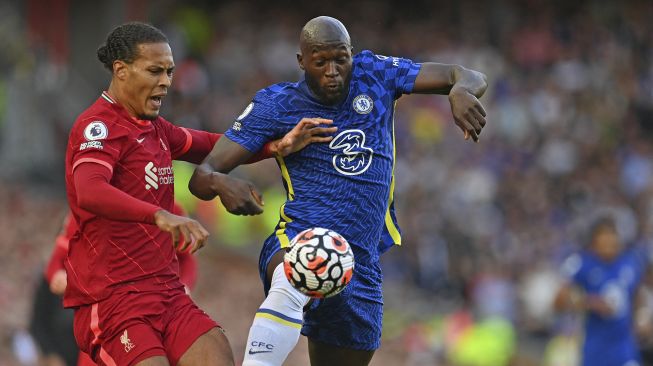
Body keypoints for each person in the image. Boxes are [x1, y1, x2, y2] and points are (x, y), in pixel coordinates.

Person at [189, 16, 488, 366]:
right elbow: (202, 175)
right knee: (295, 274)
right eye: (320, 62)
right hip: (302, 234)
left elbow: (465, 74)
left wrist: (460, 90)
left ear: (352, 54)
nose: (333, 71)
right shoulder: (278, 104)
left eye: (340, 59)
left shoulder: (375, 73)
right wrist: (223, 183)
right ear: (302, 62)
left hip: (361, 262)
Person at [64, 22, 334, 366]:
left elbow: (211, 145)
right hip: (114, 300)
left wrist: (276, 146)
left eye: (170, 71)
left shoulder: (156, 129)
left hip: (167, 294)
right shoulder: (97, 126)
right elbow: (89, 190)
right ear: (121, 70)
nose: (165, 81)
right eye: (155, 70)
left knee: (217, 353)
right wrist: (158, 214)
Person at [554, 216, 648, 366]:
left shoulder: (631, 263)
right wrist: (589, 302)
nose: (609, 242)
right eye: (604, 237)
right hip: (595, 349)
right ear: (594, 241)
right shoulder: (581, 264)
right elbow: (558, 302)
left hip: (624, 348)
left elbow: (637, 295)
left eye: (612, 236)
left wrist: (642, 318)